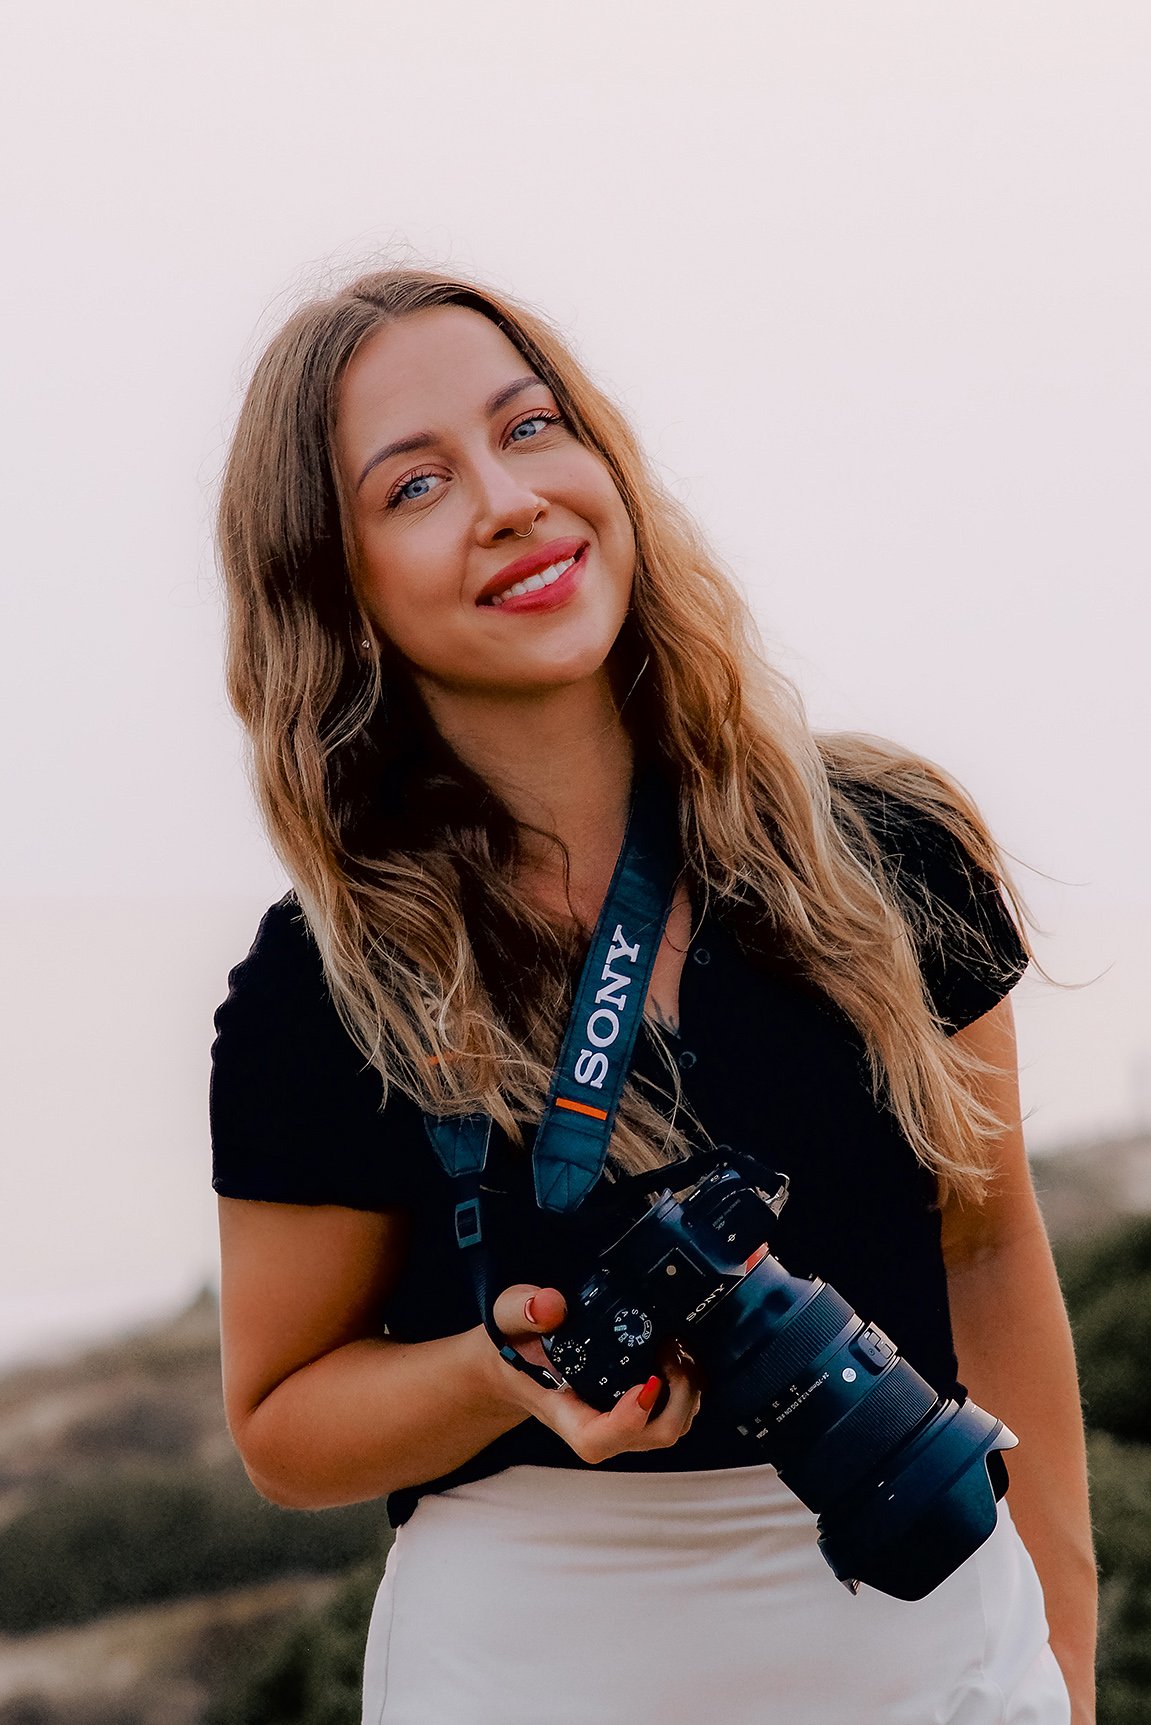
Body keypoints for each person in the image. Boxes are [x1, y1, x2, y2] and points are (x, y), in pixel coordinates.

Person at [210, 267, 1096, 1725]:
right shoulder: (328, 981)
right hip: (528, 1671)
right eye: (416, 484)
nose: (508, 498)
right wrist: (503, 1372)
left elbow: (990, 1253)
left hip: (935, 1640)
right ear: (335, 587)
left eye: (532, 426)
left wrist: (1065, 1633)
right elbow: (283, 1427)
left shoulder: (885, 846)